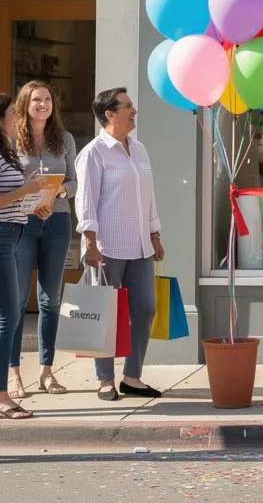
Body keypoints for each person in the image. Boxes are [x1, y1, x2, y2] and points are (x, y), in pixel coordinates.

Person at [75, 87, 164, 402]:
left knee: (145, 309)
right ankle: (105, 380)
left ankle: (132, 377)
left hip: (140, 246)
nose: (134, 111)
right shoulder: (94, 153)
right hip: (106, 248)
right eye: (128, 106)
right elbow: (86, 202)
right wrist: (90, 243)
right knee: (104, 314)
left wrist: (154, 235)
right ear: (109, 114)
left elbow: (148, 197)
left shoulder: (139, 149)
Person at [0, 94, 47, 419]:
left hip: (5, 236)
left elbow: (6, 199)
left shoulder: (3, 150)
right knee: (7, 318)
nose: (18, 116)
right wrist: (24, 192)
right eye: (13, 112)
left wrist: (32, 205)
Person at [9, 81, 77, 398]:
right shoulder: (11, 139)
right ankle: (13, 373)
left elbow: (74, 182)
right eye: (37, 99)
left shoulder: (64, 139)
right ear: (25, 103)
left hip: (57, 221)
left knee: (50, 300)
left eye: (48, 99)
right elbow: (4, 183)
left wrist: (60, 191)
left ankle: (46, 371)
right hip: (22, 222)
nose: (43, 104)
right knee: (18, 300)